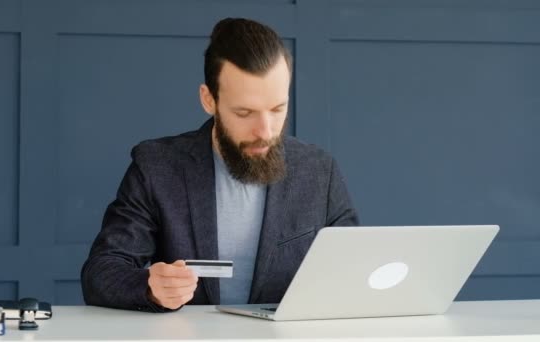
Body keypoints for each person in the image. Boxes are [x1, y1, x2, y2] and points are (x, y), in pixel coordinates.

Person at [81, 17, 359, 312]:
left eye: (277, 109)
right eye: (244, 112)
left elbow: (356, 267)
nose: (265, 131)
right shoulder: (157, 166)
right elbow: (101, 273)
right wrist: (151, 288)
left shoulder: (319, 171)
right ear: (208, 100)